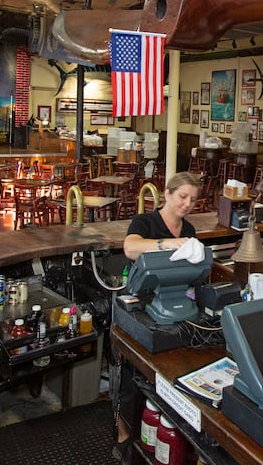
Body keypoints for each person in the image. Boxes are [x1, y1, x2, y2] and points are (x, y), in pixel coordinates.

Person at [112, 171, 201, 462]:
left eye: (192, 199)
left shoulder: (189, 229)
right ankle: (124, 435)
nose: (186, 204)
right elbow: (130, 247)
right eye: (182, 196)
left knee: (161, 376)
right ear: (167, 194)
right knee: (130, 379)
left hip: (172, 305)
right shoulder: (146, 223)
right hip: (139, 305)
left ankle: (155, 435)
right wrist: (168, 245)